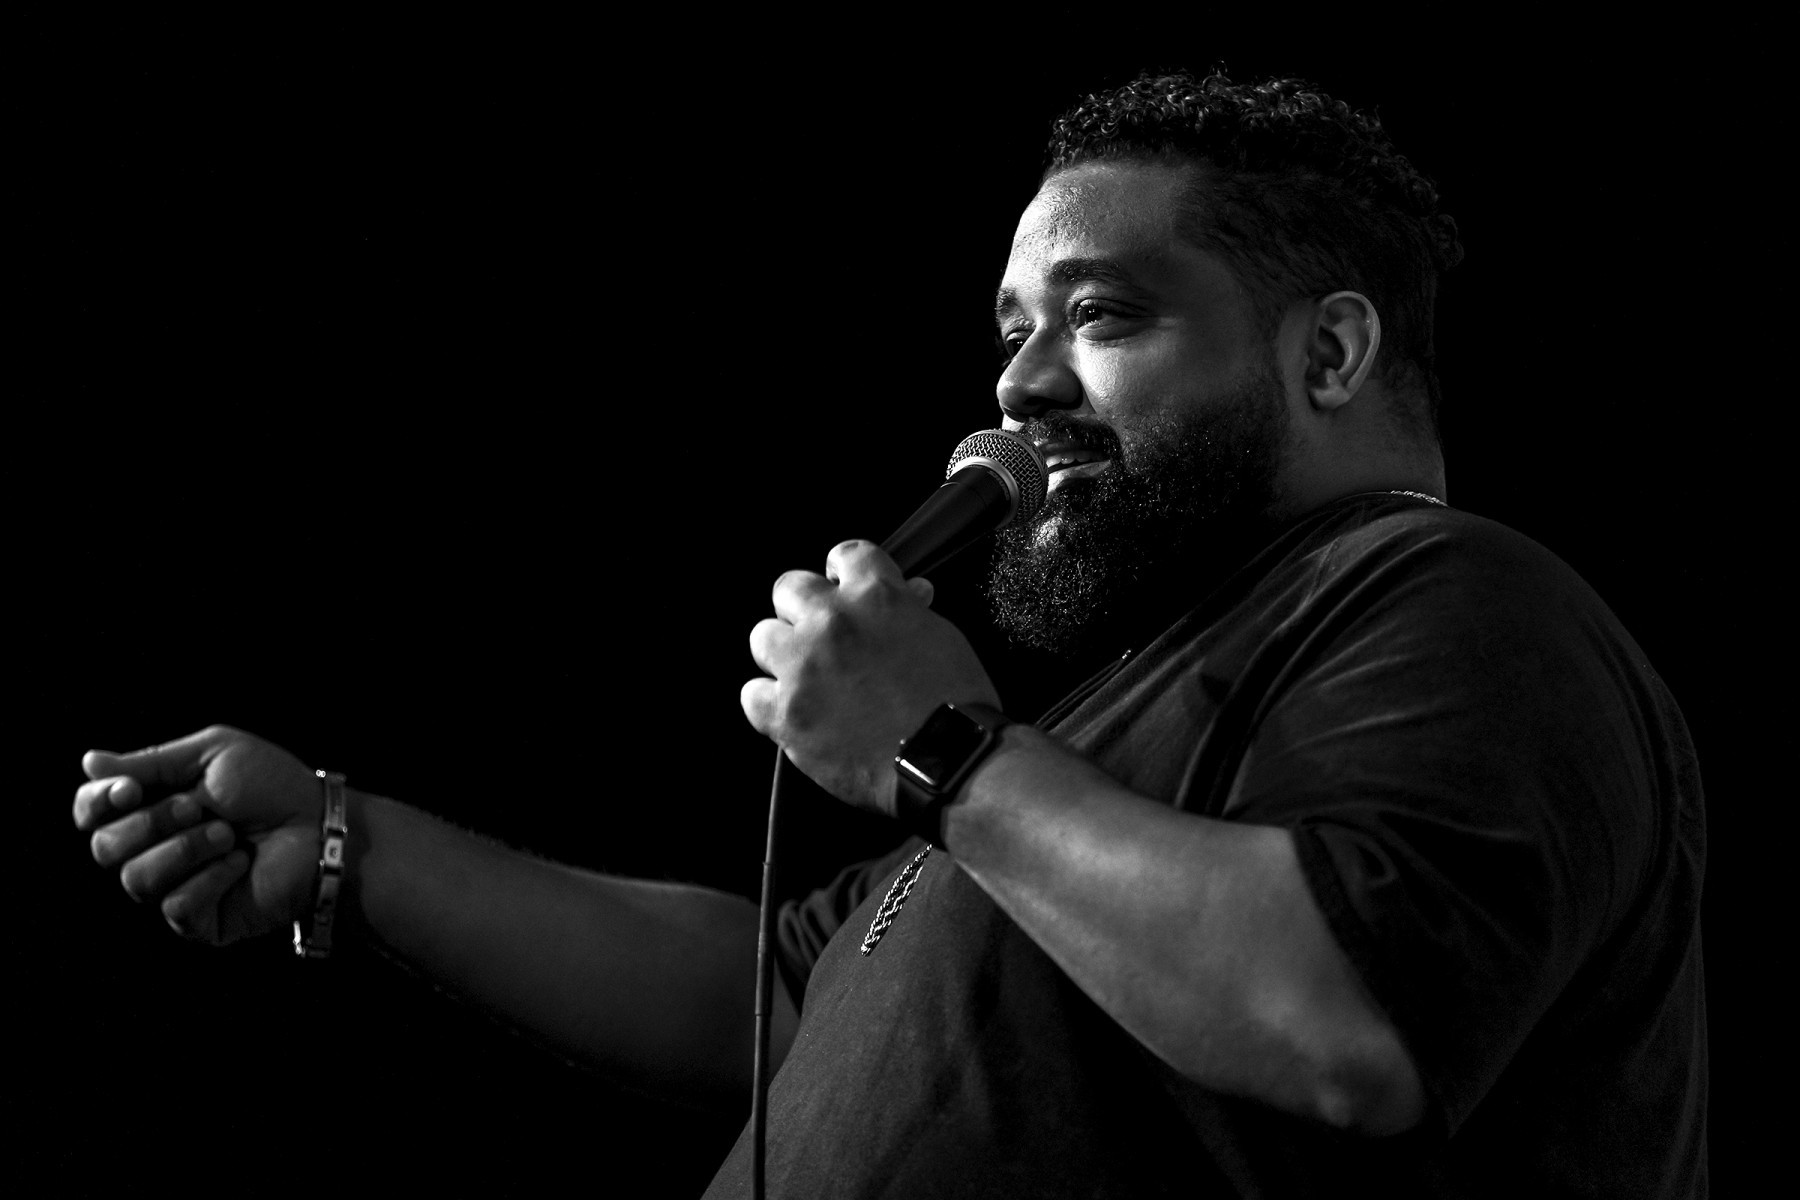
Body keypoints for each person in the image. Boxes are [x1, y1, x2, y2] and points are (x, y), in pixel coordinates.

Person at [72, 71, 1707, 1196]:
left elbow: (1352, 1016)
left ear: (1330, 354)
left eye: (1101, 314)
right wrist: (350, 843)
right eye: (1012, 330)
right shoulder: (1107, 746)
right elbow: (772, 998)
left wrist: (941, 754)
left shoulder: (1457, 598)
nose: (1020, 384)